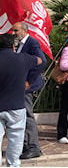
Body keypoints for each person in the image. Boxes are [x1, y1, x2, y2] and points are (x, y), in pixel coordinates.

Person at [0, 33, 42, 167]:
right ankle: (13, 165)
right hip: (16, 106)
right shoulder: (23, 59)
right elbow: (41, 60)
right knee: (16, 139)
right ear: (13, 46)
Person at [11, 22, 46, 160]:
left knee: (27, 115)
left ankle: (33, 146)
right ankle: (25, 145)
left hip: (27, 87)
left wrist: (29, 80)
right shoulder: (19, 45)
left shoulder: (32, 43)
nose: (13, 33)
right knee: (21, 115)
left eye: (16, 30)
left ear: (24, 31)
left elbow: (41, 61)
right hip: (18, 86)